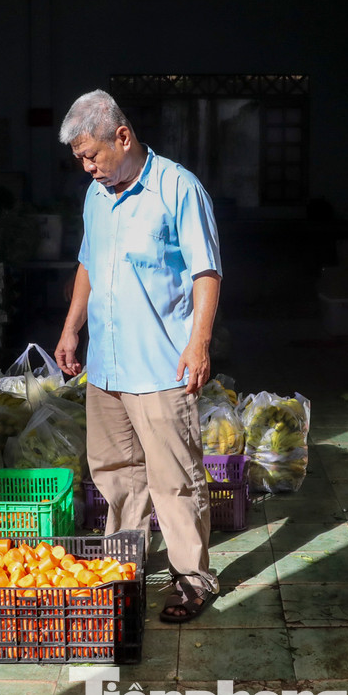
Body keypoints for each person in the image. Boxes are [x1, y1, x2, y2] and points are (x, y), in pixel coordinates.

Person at [54, 89, 222, 623]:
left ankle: (192, 578)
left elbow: (206, 273)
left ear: (121, 137)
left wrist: (199, 344)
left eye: (92, 156)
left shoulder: (178, 188)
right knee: (115, 472)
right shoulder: (96, 197)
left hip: (159, 364)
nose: (87, 168)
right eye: (80, 159)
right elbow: (86, 264)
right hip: (107, 367)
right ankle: (125, 564)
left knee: (173, 477)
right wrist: (71, 330)